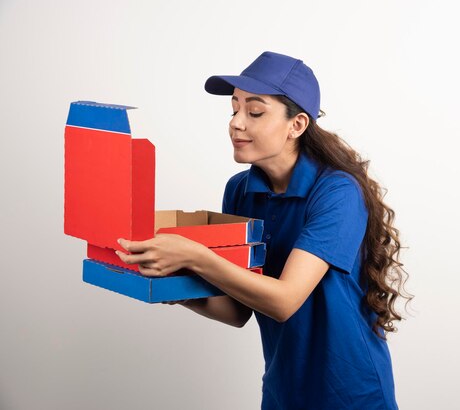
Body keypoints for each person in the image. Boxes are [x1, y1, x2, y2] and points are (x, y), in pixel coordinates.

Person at [116, 51, 411, 410]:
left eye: (254, 112)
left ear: (297, 125)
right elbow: (237, 311)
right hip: (282, 392)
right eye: (234, 108)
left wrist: (195, 256)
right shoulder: (240, 190)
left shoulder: (338, 192)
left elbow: (284, 300)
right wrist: (174, 287)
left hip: (350, 394)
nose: (236, 123)